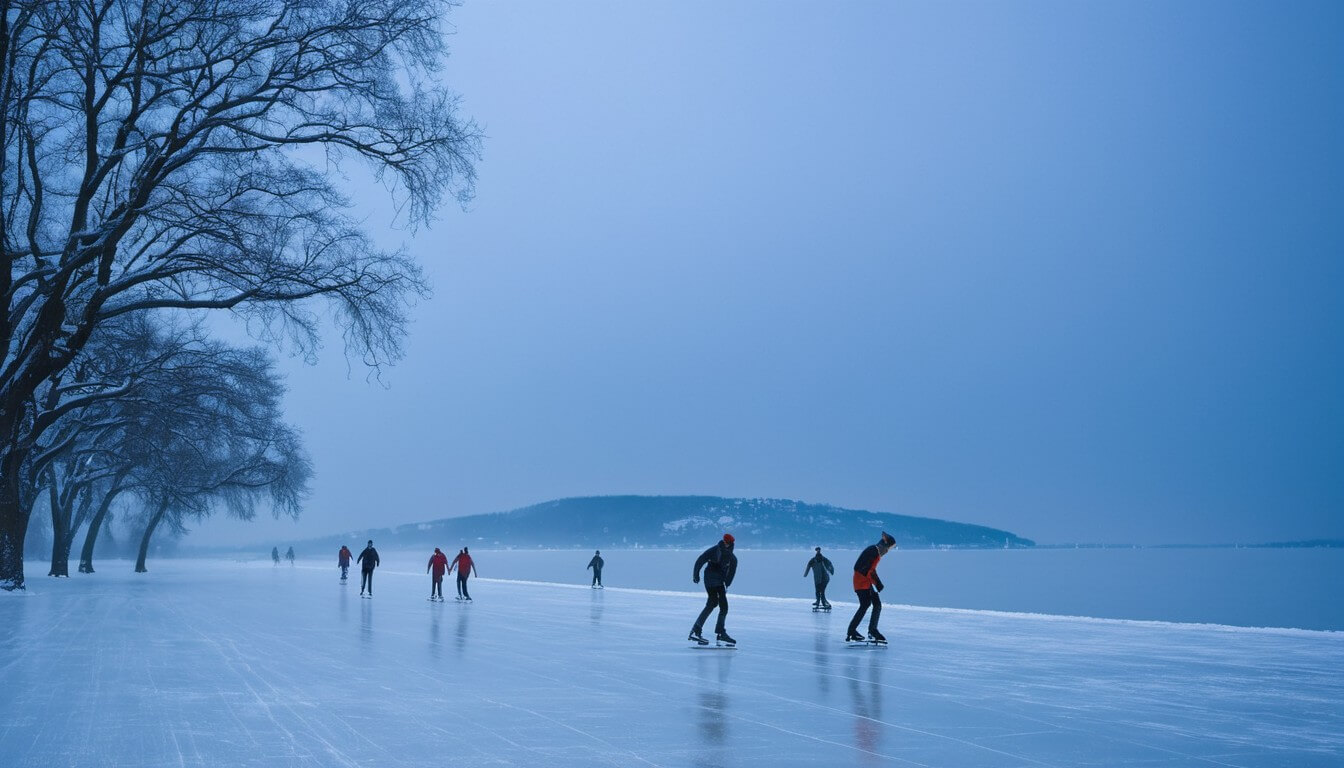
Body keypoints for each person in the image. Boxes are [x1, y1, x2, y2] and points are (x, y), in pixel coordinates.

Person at [688, 533, 738, 646]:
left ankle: (698, 630)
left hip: (719, 582)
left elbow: (732, 572)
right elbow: (700, 560)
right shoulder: (715, 550)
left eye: (728, 542)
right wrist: (696, 575)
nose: (726, 543)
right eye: (725, 541)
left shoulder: (732, 558)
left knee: (713, 604)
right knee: (722, 606)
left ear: (731, 544)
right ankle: (719, 633)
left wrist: (727, 584)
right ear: (723, 541)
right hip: (711, 580)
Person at [846, 532, 895, 643]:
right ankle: (855, 631)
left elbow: (869, 570)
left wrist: (877, 583)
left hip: (864, 581)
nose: (888, 551)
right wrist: (877, 583)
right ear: (885, 545)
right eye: (889, 548)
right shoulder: (874, 551)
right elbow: (866, 569)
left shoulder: (874, 551)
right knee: (867, 604)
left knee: (874, 604)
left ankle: (868, 630)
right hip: (862, 582)